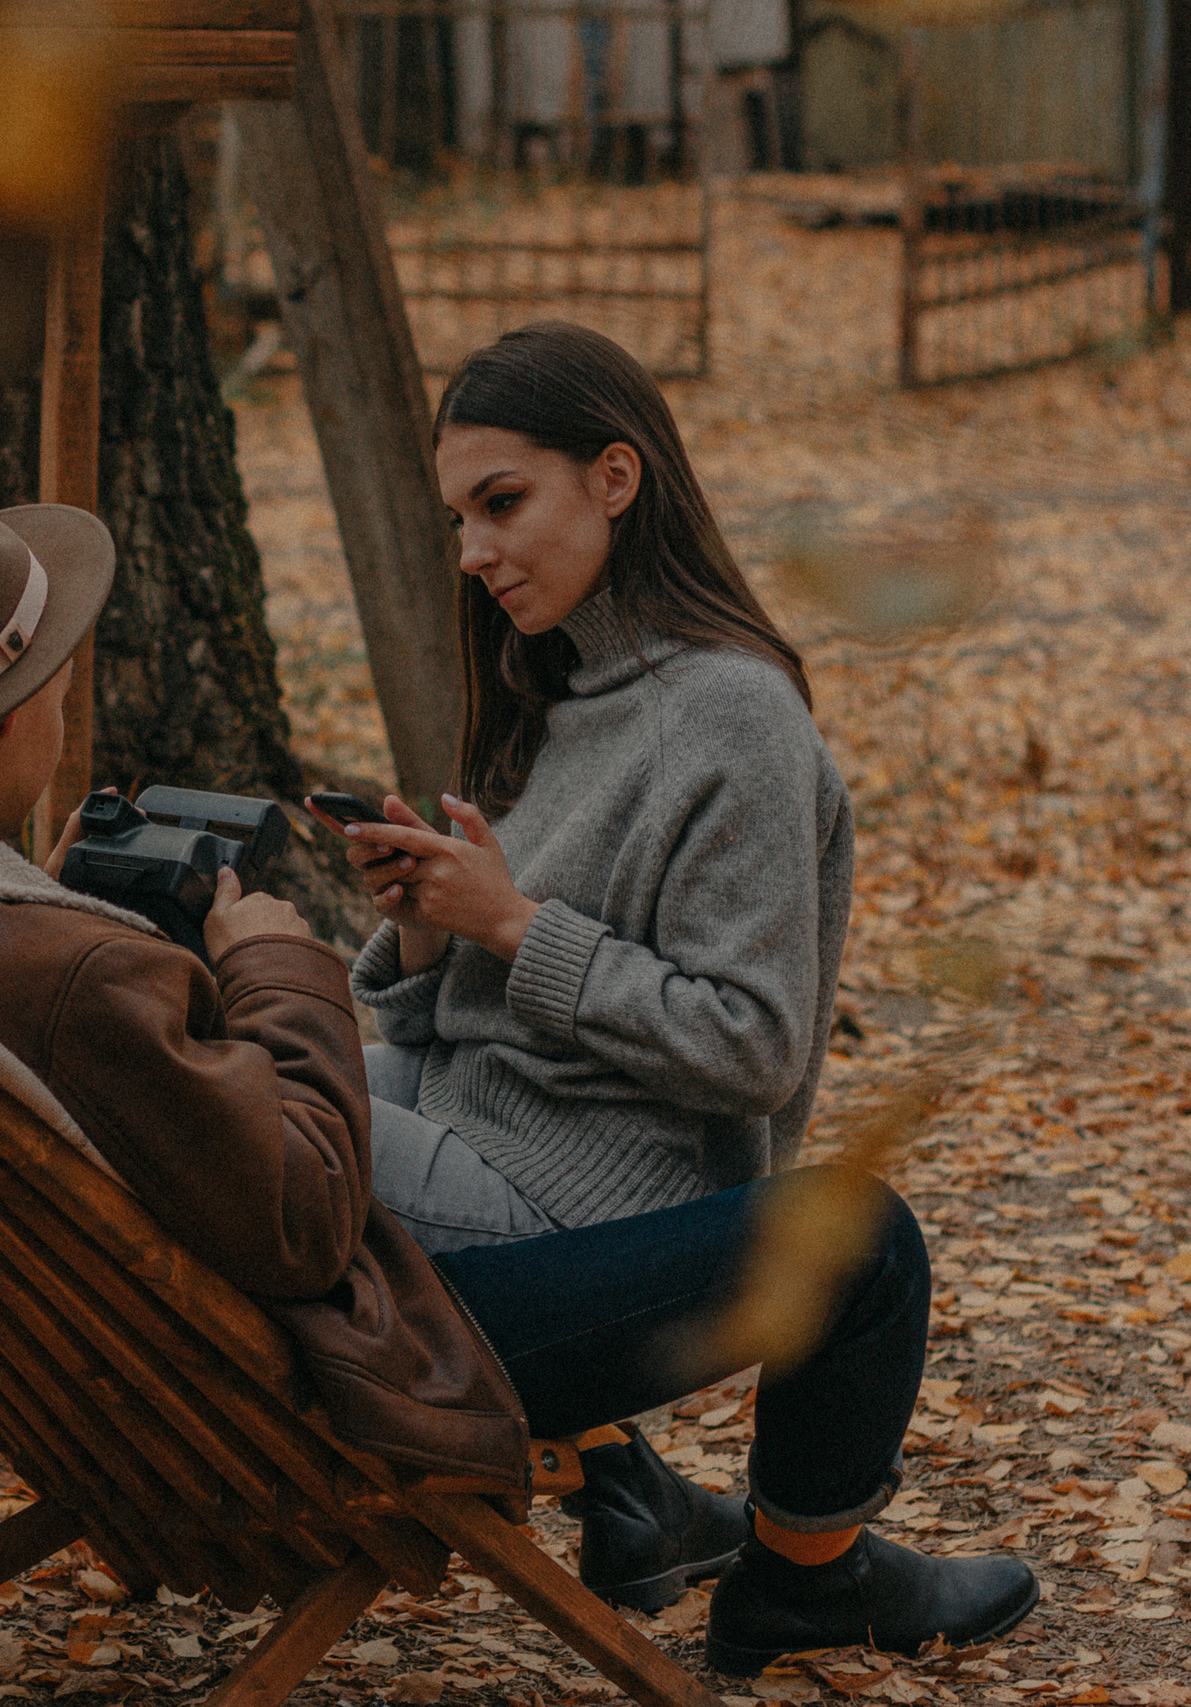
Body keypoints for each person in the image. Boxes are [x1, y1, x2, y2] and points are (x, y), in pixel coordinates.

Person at [0, 465, 1037, 1673]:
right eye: (50, 674)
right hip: (354, 1364)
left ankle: (624, 1485)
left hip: (127, 1367)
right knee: (862, 1237)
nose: (474, 550)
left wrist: (441, 939)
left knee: (431, 1107)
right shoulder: (65, 973)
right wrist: (273, 968)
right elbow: (306, 1209)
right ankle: (807, 1581)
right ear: (9, 711)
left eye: (497, 503)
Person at [322, 321, 856, 1611]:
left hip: (599, 1211)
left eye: (501, 504)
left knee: (222, 1113)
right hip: (473, 1133)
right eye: (459, 517)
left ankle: (654, 1493)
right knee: (238, 1061)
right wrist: (434, 927)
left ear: (614, 479)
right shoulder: (555, 697)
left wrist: (512, 926)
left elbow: (753, 1048)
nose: (474, 553)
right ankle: (635, 1492)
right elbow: (456, 1019)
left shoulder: (733, 714)